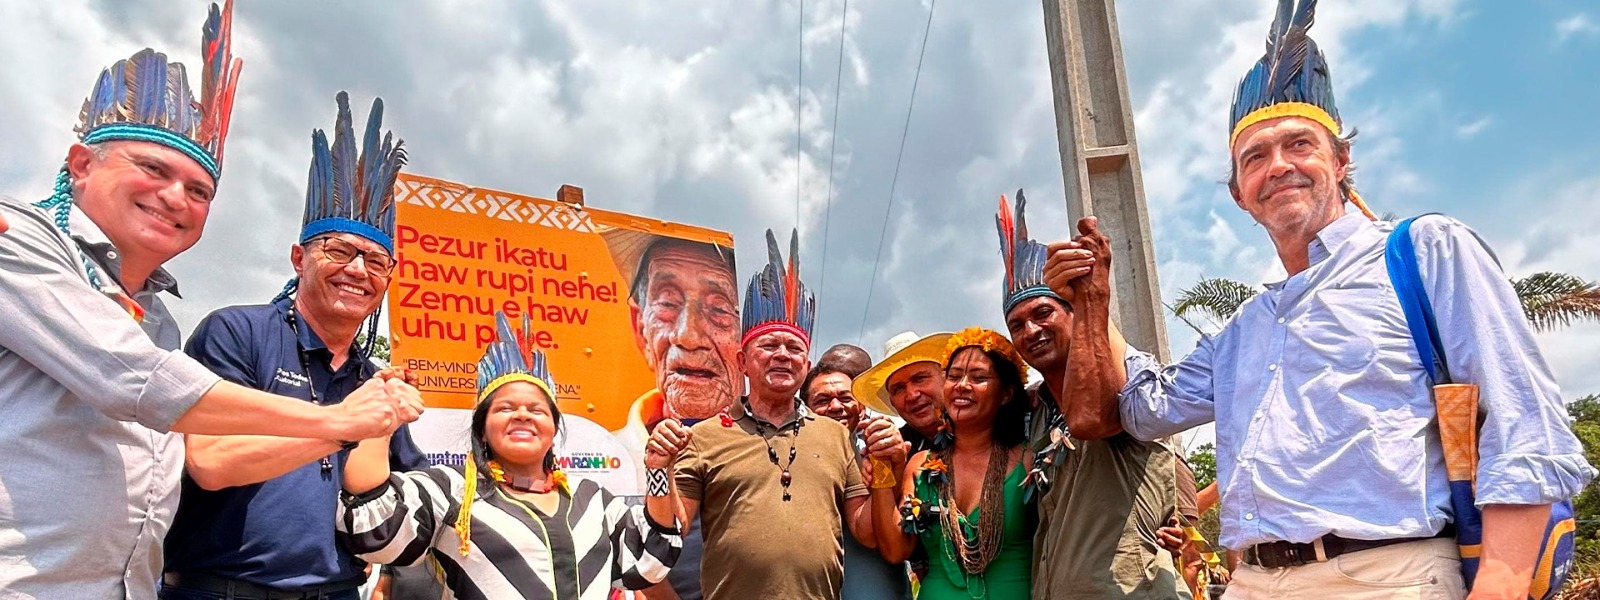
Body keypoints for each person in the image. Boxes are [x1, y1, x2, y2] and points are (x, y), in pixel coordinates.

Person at [1061, 1, 1595, 598]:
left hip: (1392, 575)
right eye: (1255, 158)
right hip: (1254, 582)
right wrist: (1093, 302)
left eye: (1299, 145)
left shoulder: (1422, 251)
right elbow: (1140, 411)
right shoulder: (1245, 327)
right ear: (1240, 194)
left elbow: (1525, 423)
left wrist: (1498, 584)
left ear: (1341, 162)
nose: (1279, 166)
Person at [0, 4, 419, 597]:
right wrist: (340, 423)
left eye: (198, 190)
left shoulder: (160, 319)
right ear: (81, 164)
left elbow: (392, 480)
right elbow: (175, 421)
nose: (175, 198)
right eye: (152, 168)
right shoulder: (20, 243)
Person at [160, 92, 430, 600]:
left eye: (376, 262)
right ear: (297, 258)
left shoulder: (374, 380)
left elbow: (399, 488)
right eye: (340, 250)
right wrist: (348, 425)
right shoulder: (239, 333)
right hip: (221, 591)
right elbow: (212, 463)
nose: (357, 270)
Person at [339, 312, 684, 599]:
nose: (522, 415)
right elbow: (374, 529)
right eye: (505, 408)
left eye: (537, 409)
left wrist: (657, 469)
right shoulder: (451, 490)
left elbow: (650, 558)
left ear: (553, 428)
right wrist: (380, 419)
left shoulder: (591, 498)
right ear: (483, 427)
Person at [665, 229, 906, 600]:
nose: (782, 354)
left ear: (805, 364)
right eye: (769, 345)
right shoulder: (704, 436)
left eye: (793, 348)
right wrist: (659, 470)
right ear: (743, 362)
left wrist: (886, 467)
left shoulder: (836, 435)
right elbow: (675, 527)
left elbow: (866, 530)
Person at [993, 191, 1188, 599]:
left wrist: (1090, 298)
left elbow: (1092, 419)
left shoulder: (1126, 373)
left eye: (1043, 313)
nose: (1030, 331)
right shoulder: (1035, 412)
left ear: (1073, 314)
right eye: (1017, 324)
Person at [600, 231, 739, 600]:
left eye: (721, 309)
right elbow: (643, 561)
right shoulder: (604, 458)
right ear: (638, 327)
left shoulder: (775, 443)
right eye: (667, 303)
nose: (689, 336)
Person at [873, 328, 1037, 599]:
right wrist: (880, 465)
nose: (962, 385)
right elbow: (895, 549)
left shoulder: (1028, 459)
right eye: (954, 376)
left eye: (978, 377)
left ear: (1006, 393)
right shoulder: (920, 464)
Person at [803, 364, 913, 600]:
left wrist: (888, 461)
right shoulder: (788, 457)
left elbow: (871, 531)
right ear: (805, 410)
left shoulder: (881, 447)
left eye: (845, 398)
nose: (835, 407)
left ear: (861, 408)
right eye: (822, 400)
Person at [857, 331, 951, 455]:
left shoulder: (982, 427)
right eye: (898, 389)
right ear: (892, 402)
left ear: (946, 379)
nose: (912, 395)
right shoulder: (895, 449)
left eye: (919, 379)